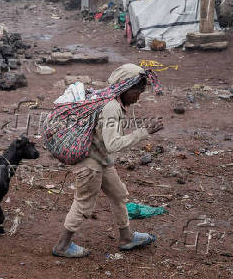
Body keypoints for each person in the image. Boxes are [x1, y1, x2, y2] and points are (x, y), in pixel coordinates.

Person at [52, 64, 164, 258]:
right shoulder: (111, 107)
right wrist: (143, 133)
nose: (138, 96)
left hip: (102, 160)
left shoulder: (111, 100)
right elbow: (113, 144)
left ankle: (127, 237)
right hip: (90, 165)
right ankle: (62, 245)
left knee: (118, 194)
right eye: (137, 91)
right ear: (126, 87)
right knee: (83, 204)